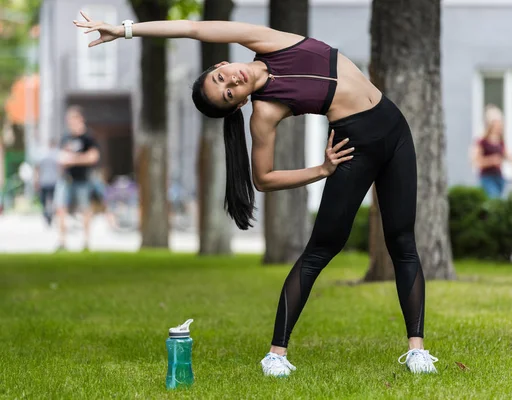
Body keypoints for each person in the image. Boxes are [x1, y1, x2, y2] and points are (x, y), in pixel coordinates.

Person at [74, 12, 438, 375]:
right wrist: (322, 170)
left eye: (221, 76)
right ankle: (276, 355)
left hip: (395, 128)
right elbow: (262, 179)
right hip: (353, 146)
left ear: (222, 62)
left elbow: (193, 28)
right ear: (239, 104)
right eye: (229, 93)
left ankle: (417, 351)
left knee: (402, 241)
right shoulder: (265, 111)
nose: (232, 80)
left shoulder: (268, 43)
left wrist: (124, 30)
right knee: (321, 250)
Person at [54, 105, 100, 251]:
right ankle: (62, 242)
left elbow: (93, 157)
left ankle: (86, 242)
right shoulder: (66, 137)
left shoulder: (88, 137)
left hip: (83, 179)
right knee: (60, 208)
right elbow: (61, 157)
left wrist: (74, 159)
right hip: (66, 178)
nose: (70, 123)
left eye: (73, 119)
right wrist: (66, 161)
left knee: (85, 209)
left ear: (80, 119)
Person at [471, 104, 512, 198]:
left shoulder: (500, 142)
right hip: (487, 178)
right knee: (494, 200)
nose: (499, 126)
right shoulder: (482, 142)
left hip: (499, 178)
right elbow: (476, 162)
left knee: (497, 203)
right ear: (490, 124)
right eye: (497, 123)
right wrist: (491, 160)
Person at [33, 138, 61, 226]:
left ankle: (47, 215)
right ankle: (50, 215)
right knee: (52, 200)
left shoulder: (42, 155)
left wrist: (36, 180)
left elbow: (37, 169)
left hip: (45, 181)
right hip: (54, 181)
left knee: (44, 201)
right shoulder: (57, 155)